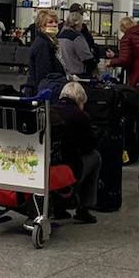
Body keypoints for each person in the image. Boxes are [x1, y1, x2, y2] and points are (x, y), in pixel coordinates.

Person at [49, 81, 100, 223]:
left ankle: (58, 208)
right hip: (69, 170)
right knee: (95, 157)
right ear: (80, 99)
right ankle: (84, 208)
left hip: (48, 166)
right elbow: (89, 147)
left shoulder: (50, 110)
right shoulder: (81, 116)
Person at [26, 8, 66, 89]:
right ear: (42, 26)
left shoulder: (49, 42)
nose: (54, 25)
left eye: (56, 22)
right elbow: (43, 73)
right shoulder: (42, 45)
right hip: (43, 90)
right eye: (50, 22)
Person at [57, 9, 96, 78]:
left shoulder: (60, 36)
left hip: (64, 74)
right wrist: (94, 65)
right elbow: (86, 58)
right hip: (78, 75)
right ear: (79, 24)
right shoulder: (77, 38)